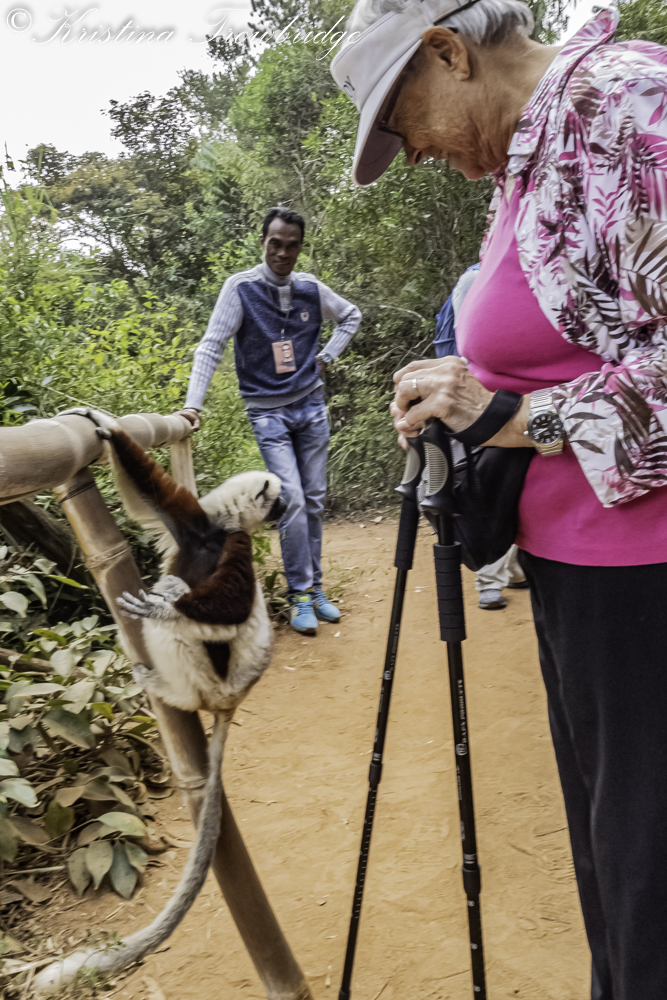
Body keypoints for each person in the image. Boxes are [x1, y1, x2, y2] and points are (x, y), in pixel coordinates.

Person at [332, 2, 667, 997]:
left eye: (404, 122)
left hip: (647, 577)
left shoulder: (626, 106)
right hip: (583, 574)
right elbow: (568, 339)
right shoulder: (534, 152)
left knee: (649, 881)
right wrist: (459, 389)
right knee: (616, 868)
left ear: (448, 52)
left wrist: (513, 417)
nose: (413, 152)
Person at [178, 207, 361, 636]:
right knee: (291, 498)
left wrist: (328, 355)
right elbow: (211, 346)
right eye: (274, 243)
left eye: (291, 245)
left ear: (300, 247)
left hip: (311, 406)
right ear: (262, 241)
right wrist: (192, 406)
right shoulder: (240, 288)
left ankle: (316, 589)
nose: (282, 253)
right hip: (267, 412)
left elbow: (350, 315)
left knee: (313, 499)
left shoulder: (310, 288)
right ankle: (300, 595)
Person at [435, 264, 528, 609]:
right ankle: (489, 580)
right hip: (481, 403)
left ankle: (514, 570)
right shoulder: (476, 278)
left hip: (513, 398)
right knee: (489, 485)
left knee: (515, 485)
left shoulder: (526, 269)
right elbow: (470, 351)